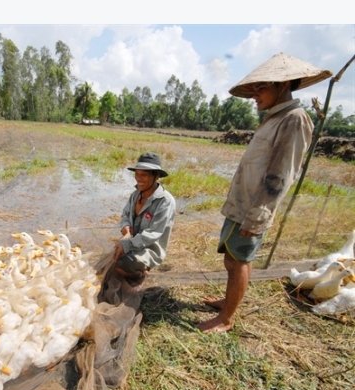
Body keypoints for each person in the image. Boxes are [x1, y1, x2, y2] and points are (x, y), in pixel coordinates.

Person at [197, 53, 332, 333]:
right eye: (254, 89)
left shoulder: (294, 119)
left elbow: (280, 174)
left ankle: (226, 318)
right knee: (233, 259)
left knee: (238, 262)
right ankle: (227, 302)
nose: (254, 94)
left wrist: (259, 216)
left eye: (261, 88)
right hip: (242, 203)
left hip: (253, 208)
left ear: (282, 85)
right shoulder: (275, 117)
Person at [113, 152, 176, 286]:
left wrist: (127, 245)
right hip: (132, 242)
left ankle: (140, 273)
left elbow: (152, 234)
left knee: (120, 266)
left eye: (144, 175)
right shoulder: (135, 195)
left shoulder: (165, 201)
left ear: (156, 176)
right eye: (137, 174)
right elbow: (125, 214)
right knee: (113, 258)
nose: (138, 179)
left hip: (149, 248)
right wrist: (125, 225)